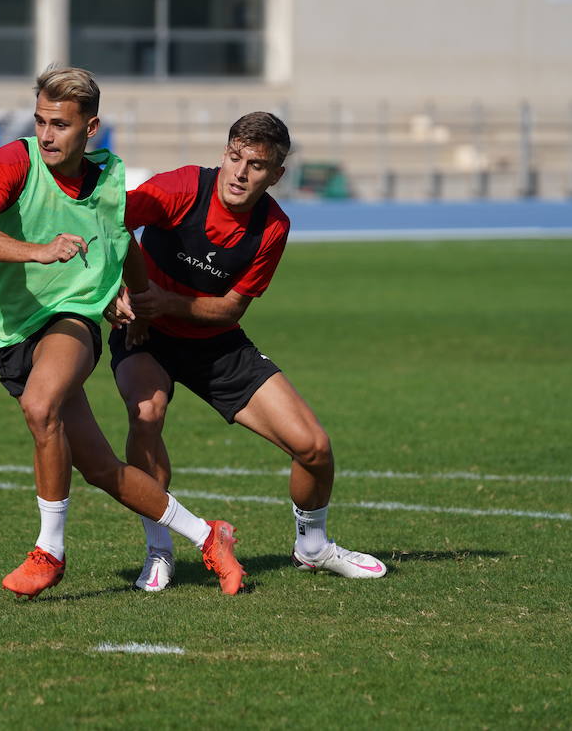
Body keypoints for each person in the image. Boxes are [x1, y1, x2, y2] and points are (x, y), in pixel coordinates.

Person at [0, 65, 246, 599]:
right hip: (9, 332)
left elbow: (123, 244)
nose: (46, 135)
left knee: (41, 406)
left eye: (60, 125)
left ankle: (50, 552)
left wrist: (137, 302)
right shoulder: (14, 160)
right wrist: (37, 251)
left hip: (71, 321)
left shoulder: (110, 178)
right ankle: (209, 535)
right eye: (41, 121)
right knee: (101, 469)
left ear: (91, 129)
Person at [112, 111, 387, 591]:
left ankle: (313, 547)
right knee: (146, 415)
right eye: (235, 158)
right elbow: (111, 223)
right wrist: (121, 290)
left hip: (215, 345)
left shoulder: (272, 227)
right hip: (145, 335)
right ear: (224, 153)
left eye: (256, 165)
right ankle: (160, 550)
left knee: (314, 449)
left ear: (276, 174)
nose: (240, 173)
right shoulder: (180, 188)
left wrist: (166, 302)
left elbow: (228, 310)